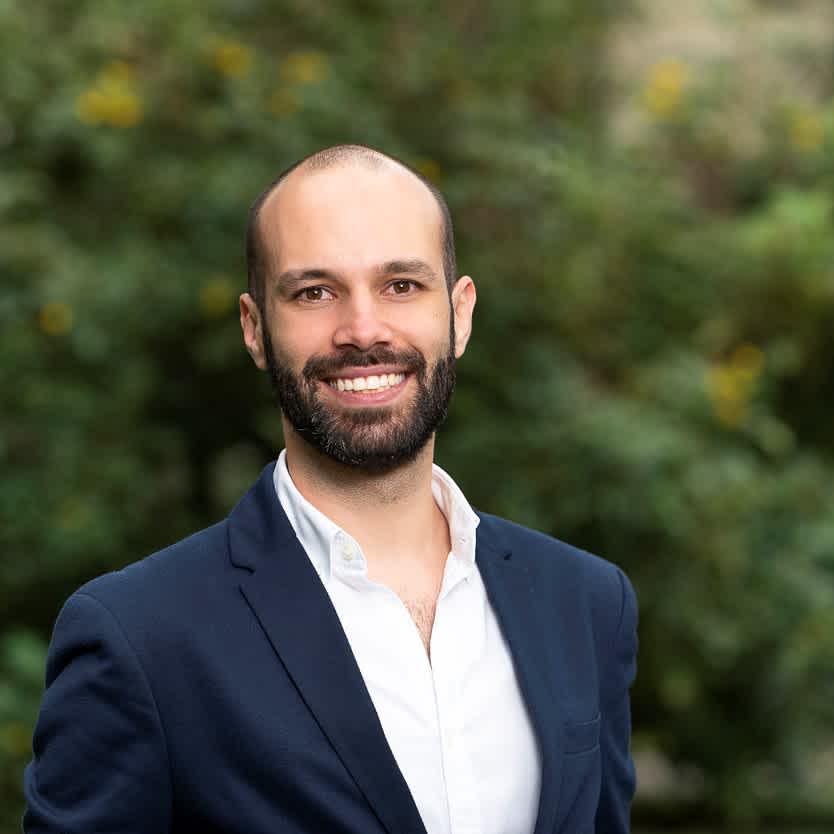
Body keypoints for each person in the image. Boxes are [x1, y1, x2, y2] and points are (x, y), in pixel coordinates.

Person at [23, 144, 638, 834]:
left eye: (401, 285)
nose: (363, 330)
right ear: (255, 329)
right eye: (314, 292)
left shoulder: (586, 602)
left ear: (460, 313)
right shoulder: (139, 637)